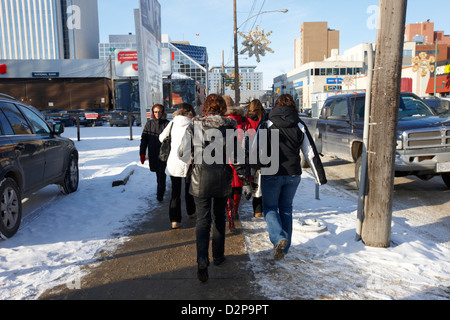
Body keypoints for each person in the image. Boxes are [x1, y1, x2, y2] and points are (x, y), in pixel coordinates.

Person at [178, 94, 248, 282]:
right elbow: (238, 157)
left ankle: (202, 258)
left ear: (205, 107)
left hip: (200, 178)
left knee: (202, 221)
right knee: (219, 217)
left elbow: (181, 152)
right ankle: (218, 256)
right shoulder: (229, 128)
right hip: (222, 179)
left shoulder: (194, 125)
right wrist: (244, 178)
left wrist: (192, 158)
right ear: (222, 109)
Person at [254, 94, 327, 261]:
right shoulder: (299, 124)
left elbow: (256, 148)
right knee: (286, 209)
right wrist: (319, 177)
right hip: (293, 174)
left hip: (271, 173)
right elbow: (310, 151)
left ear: (276, 106)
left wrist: (253, 170)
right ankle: (284, 249)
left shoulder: (266, 122)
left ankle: (278, 238)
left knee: (270, 208)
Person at [159, 103, 196, 229]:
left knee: (175, 192)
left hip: (174, 161)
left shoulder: (172, 123)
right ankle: (191, 211)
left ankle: (175, 220)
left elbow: (161, 138)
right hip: (189, 161)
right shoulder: (194, 123)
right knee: (189, 189)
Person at [224, 95, 246, 232]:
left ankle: (229, 215)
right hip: (239, 155)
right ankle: (235, 209)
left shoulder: (221, 119)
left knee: (227, 188)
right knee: (237, 185)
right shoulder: (241, 118)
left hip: (223, 157)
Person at [139, 104, 170, 201]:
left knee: (162, 174)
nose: (157, 114)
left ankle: (160, 193)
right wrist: (142, 153)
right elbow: (144, 140)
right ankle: (161, 189)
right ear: (153, 112)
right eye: (155, 112)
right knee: (158, 173)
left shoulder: (167, 124)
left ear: (163, 112)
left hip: (164, 153)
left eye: (159, 111)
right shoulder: (149, 124)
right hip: (153, 153)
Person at [245, 99, 266, 218]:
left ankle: (256, 209)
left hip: (249, 155)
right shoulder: (264, 119)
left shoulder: (246, 119)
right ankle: (259, 210)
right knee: (262, 182)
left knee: (254, 182)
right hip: (263, 155)